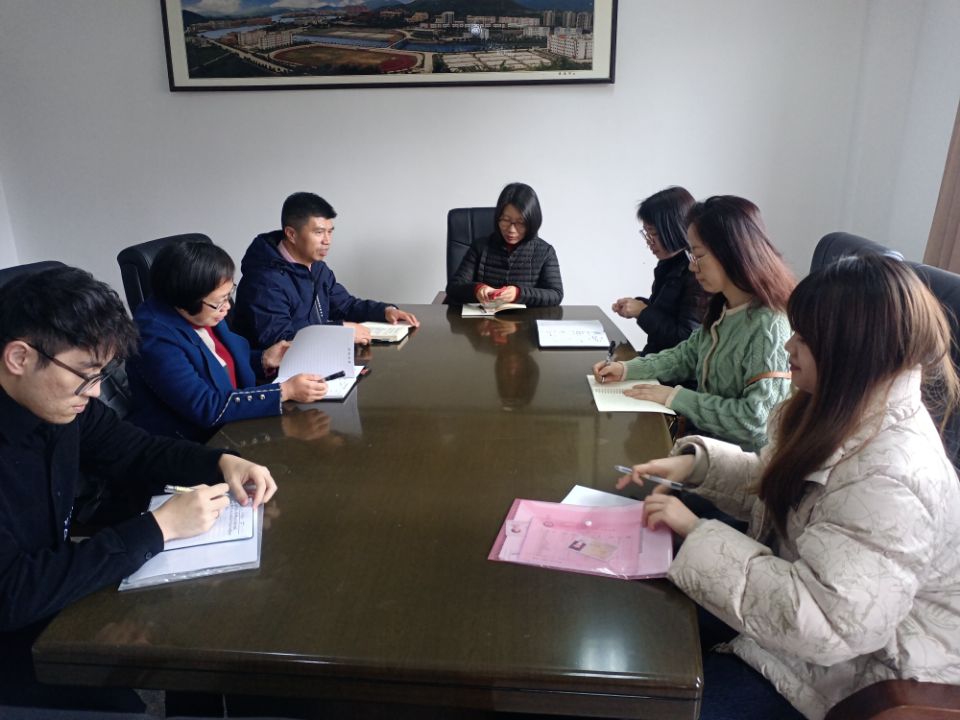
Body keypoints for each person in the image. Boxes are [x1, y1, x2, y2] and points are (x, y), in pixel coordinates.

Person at [617, 255, 960, 720]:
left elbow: (829, 626)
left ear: (852, 350)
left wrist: (697, 532)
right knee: (640, 618)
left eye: (804, 338)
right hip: (791, 618)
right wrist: (696, 466)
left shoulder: (893, 477)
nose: (788, 346)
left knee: (655, 697)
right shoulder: (835, 406)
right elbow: (781, 487)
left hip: (854, 676)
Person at [0, 266, 277, 711]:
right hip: (17, 633)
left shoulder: (57, 401)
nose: (95, 393)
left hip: (50, 590)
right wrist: (158, 528)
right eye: (86, 374)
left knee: (201, 620)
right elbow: (10, 594)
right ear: (19, 358)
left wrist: (220, 462)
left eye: (101, 375)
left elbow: (136, 451)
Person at [594, 196, 795, 451]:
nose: (692, 266)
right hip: (705, 448)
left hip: (742, 464)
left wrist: (675, 397)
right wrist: (626, 369)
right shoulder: (724, 306)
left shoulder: (769, 325)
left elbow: (756, 421)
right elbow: (685, 356)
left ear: (732, 252)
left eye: (698, 255)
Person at [127, 240, 328, 442]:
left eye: (228, 295)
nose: (227, 307)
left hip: (238, 423)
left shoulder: (204, 311)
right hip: (200, 442)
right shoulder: (153, 337)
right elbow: (206, 407)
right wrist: (285, 391)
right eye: (219, 302)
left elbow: (220, 364)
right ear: (185, 299)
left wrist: (264, 359)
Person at [234, 191, 420, 349]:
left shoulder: (317, 268)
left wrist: (385, 311)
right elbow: (281, 341)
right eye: (319, 232)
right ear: (291, 234)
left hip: (314, 360)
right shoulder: (264, 280)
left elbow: (345, 306)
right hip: (275, 375)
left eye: (330, 232)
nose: (327, 240)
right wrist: (341, 331)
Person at [611, 186, 706, 355]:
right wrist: (639, 306)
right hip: (656, 358)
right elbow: (667, 312)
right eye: (646, 233)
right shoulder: (668, 263)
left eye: (653, 233)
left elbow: (686, 342)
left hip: (673, 368)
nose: (649, 241)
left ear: (675, 229)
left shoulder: (697, 273)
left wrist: (642, 311)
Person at [445, 182, 563, 307]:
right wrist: (477, 289)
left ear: (532, 222)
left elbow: (556, 294)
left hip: (527, 318)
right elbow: (454, 287)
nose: (511, 230)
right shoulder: (480, 247)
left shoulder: (545, 252)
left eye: (520, 223)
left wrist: (519, 294)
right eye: (506, 220)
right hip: (484, 317)